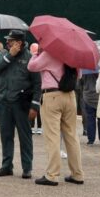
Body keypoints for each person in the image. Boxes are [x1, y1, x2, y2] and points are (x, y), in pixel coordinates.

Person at [27, 46, 84, 186]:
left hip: (52, 95)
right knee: (71, 135)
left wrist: (36, 54)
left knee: (52, 136)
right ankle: (77, 174)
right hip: (70, 96)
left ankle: (52, 175)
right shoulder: (72, 54)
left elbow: (32, 66)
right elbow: (80, 75)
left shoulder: (49, 53)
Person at [0, 30, 41, 179]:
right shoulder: (4, 54)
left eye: (10, 41)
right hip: (4, 101)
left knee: (25, 136)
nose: (7, 43)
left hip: (21, 103)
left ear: (19, 42)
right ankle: (7, 166)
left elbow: (37, 84)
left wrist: (35, 105)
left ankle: (27, 168)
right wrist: (9, 55)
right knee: (6, 136)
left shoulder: (30, 58)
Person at [80, 72, 100, 146]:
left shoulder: (86, 70)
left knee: (90, 119)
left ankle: (91, 140)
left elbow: (81, 81)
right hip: (99, 97)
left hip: (88, 96)